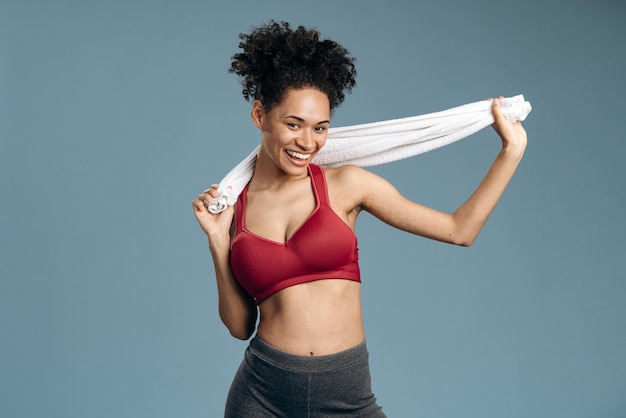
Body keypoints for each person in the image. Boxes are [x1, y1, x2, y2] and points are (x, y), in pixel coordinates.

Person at [192, 20, 527, 417]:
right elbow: (239, 327)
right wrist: (217, 241)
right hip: (262, 395)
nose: (307, 142)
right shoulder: (234, 208)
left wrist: (511, 152)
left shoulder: (347, 185)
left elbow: (459, 230)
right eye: (293, 124)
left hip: (347, 399)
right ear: (260, 115)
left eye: (320, 128)